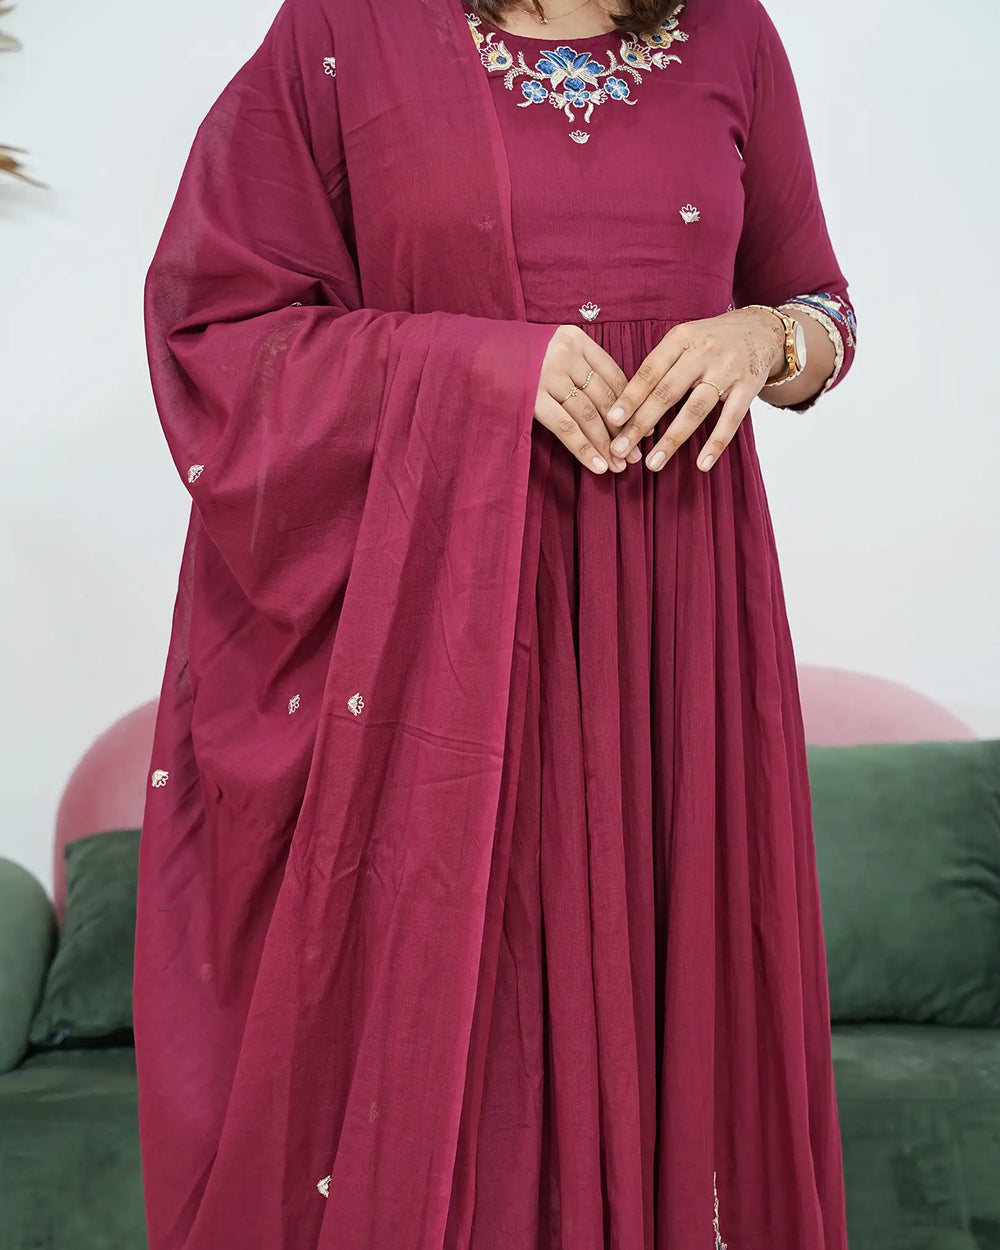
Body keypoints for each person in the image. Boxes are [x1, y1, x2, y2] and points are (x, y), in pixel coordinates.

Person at [133, 0, 858, 1246]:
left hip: (672, 627)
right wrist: (476, 367)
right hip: (446, 638)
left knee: (672, 1006)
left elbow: (825, 311)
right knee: (468, 1026)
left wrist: (762, 336)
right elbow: (215, 324)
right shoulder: (345, 30)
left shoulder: (730, 32)